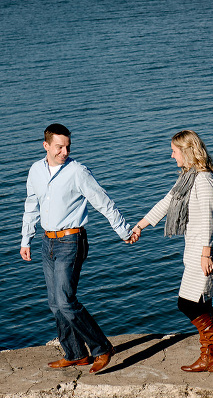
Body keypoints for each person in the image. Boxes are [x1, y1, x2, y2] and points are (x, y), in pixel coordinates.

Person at [20, 123, 134, 374]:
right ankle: (75, 353)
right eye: (59, 147)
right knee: (54, 303)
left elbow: (103, 202)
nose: (64, 152)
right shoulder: (36, 171)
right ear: (46, 146)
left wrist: (123, 231)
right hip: (47, 241)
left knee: (65, 301)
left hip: (71, 242)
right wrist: (25, 239)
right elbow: (31, 206)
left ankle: (102, 348)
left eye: (67, 147)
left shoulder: (78, 171)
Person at [131, 130, 213, 373]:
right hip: (196, 250)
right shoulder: (187, 179)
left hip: (206, 251)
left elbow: (209, 220)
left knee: (187, 304)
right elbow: (166, 203)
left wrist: (205, 254)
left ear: (187, 151)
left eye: (174, 151)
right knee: (202, 303)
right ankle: (208, 355)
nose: (171, 156)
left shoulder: (203, 180)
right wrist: (139, 227)